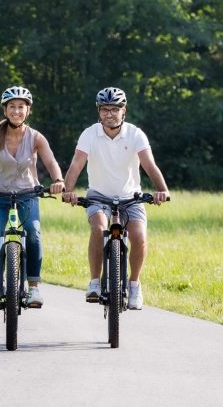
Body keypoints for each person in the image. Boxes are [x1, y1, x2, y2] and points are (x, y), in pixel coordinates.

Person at [61, 87, 171, 309]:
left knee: (139, 237)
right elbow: (76, 164)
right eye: (104, 109)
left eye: (114, 109)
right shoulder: (90, 134)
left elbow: (149, 164)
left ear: (124, 111)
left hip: (131, 197)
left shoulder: (135, 134)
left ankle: (134, 285)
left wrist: (162, 190)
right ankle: (94, 282)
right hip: (98, 196)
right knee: (98, 228)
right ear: (98, 111)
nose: (109, 114)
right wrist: (67, 191)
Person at [0, 86, 65, 309]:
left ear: (28, 111)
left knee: (34, 235)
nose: (16, 111)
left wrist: (58, 181)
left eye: (21, 107)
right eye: (12, 107)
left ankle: (34, 287)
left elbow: (51, 162)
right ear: (5, 110)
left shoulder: (36, 137)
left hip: (27, 195)